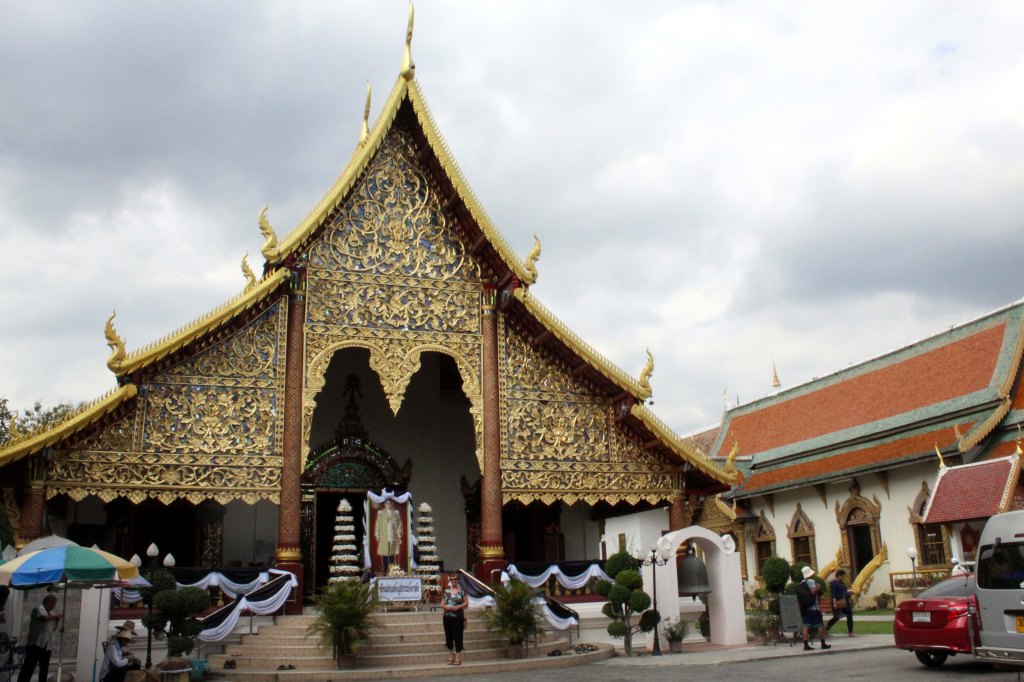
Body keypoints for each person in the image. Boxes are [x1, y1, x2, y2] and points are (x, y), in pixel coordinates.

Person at [17, 593, 60, 682]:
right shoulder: (37, 609)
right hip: (35, 644)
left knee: (44, 669)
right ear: (48, 601)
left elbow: (52, 630)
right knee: (29, 668)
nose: (54, 605)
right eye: (53, 603)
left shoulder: (52, 614)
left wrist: (57, 621)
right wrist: (55, 616)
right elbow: (44, 619)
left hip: (47, 645)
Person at [796, 566, 830, 651]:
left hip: (805, 608)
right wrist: (818, 586)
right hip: (813, 608)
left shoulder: (801, 583)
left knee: (805, 626)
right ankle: (823, 643)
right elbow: (813, 591)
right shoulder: (811, 581)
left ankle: (806, 645)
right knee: (820, 625)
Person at [441, 573, 468, 666]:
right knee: (448, 637)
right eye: (451, 579)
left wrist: (458, 607)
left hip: (458, 617)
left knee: (458, 637)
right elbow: (442, 603)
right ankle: (450, 656)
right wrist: (446, 607)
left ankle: (457, 657)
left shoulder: (462, 592)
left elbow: (466, 603)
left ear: (458, 580)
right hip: (447, 617)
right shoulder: (447, 591)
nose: (453, 581)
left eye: (455, 579)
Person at [374, 499, 403, 571]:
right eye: (387, 503)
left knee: (392, 554)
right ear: (385, 504)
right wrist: (377, 534)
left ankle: (391, 570)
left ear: (391, 504)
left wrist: (399, 533)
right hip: (384, 536)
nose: (389, 505)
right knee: (385, 553)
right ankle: (385, 569)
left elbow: (400, 523)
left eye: (390, 503)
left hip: (393, 536)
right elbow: (377, 524)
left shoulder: (396, 513)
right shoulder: (380, 513)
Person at [826, 569, 855, 636]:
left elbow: (844, 591)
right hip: (838, 602)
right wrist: (834, 603)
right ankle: (826, 629)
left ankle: (850, 632)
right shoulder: (834, 583)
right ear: (838, 575)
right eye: (842, 576)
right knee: (836, 617)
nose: (843, 577)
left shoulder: (842, 583)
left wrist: (849, 593)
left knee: (849, 614)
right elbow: (833, 594)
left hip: (845, 602)